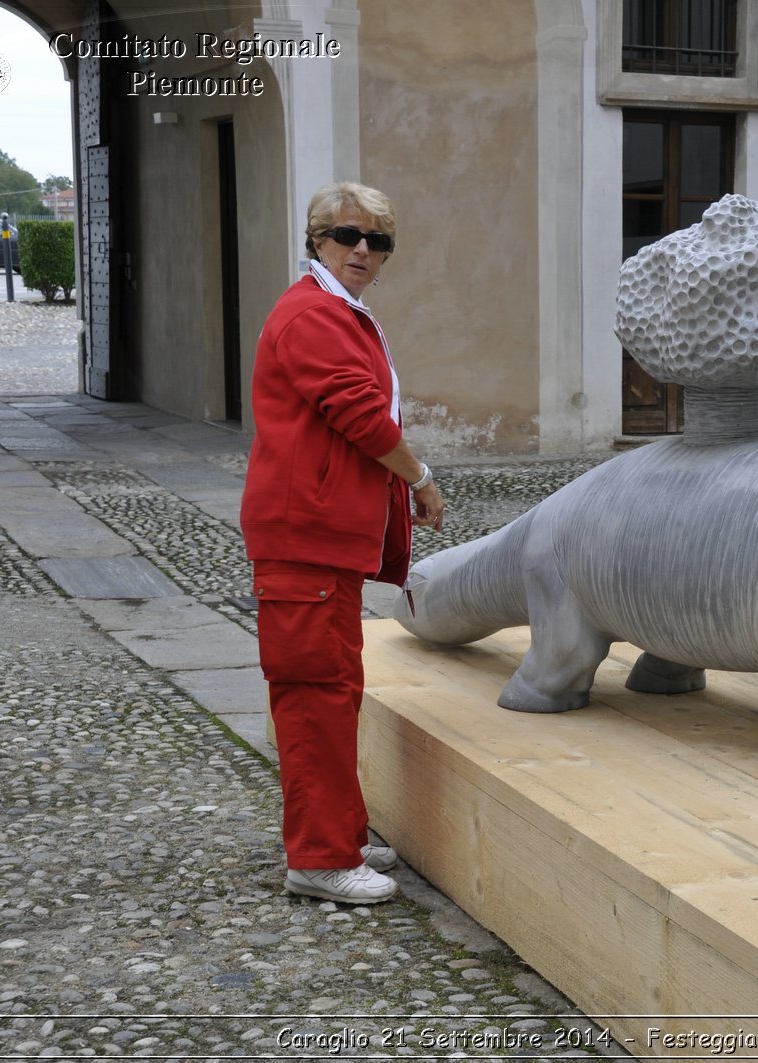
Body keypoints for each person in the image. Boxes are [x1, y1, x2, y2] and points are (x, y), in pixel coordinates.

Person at [240, 182, 446, 905]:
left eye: (377, 240)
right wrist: (420, 476)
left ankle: (339, 833)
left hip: (322, 544)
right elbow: (359, 414)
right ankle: (320, 858)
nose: (363, 249)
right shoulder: (314, 314)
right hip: (307, 543)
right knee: (314, 698)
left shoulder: (335, 309)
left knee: (336, 689)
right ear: (316, 240)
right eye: (347, 235)